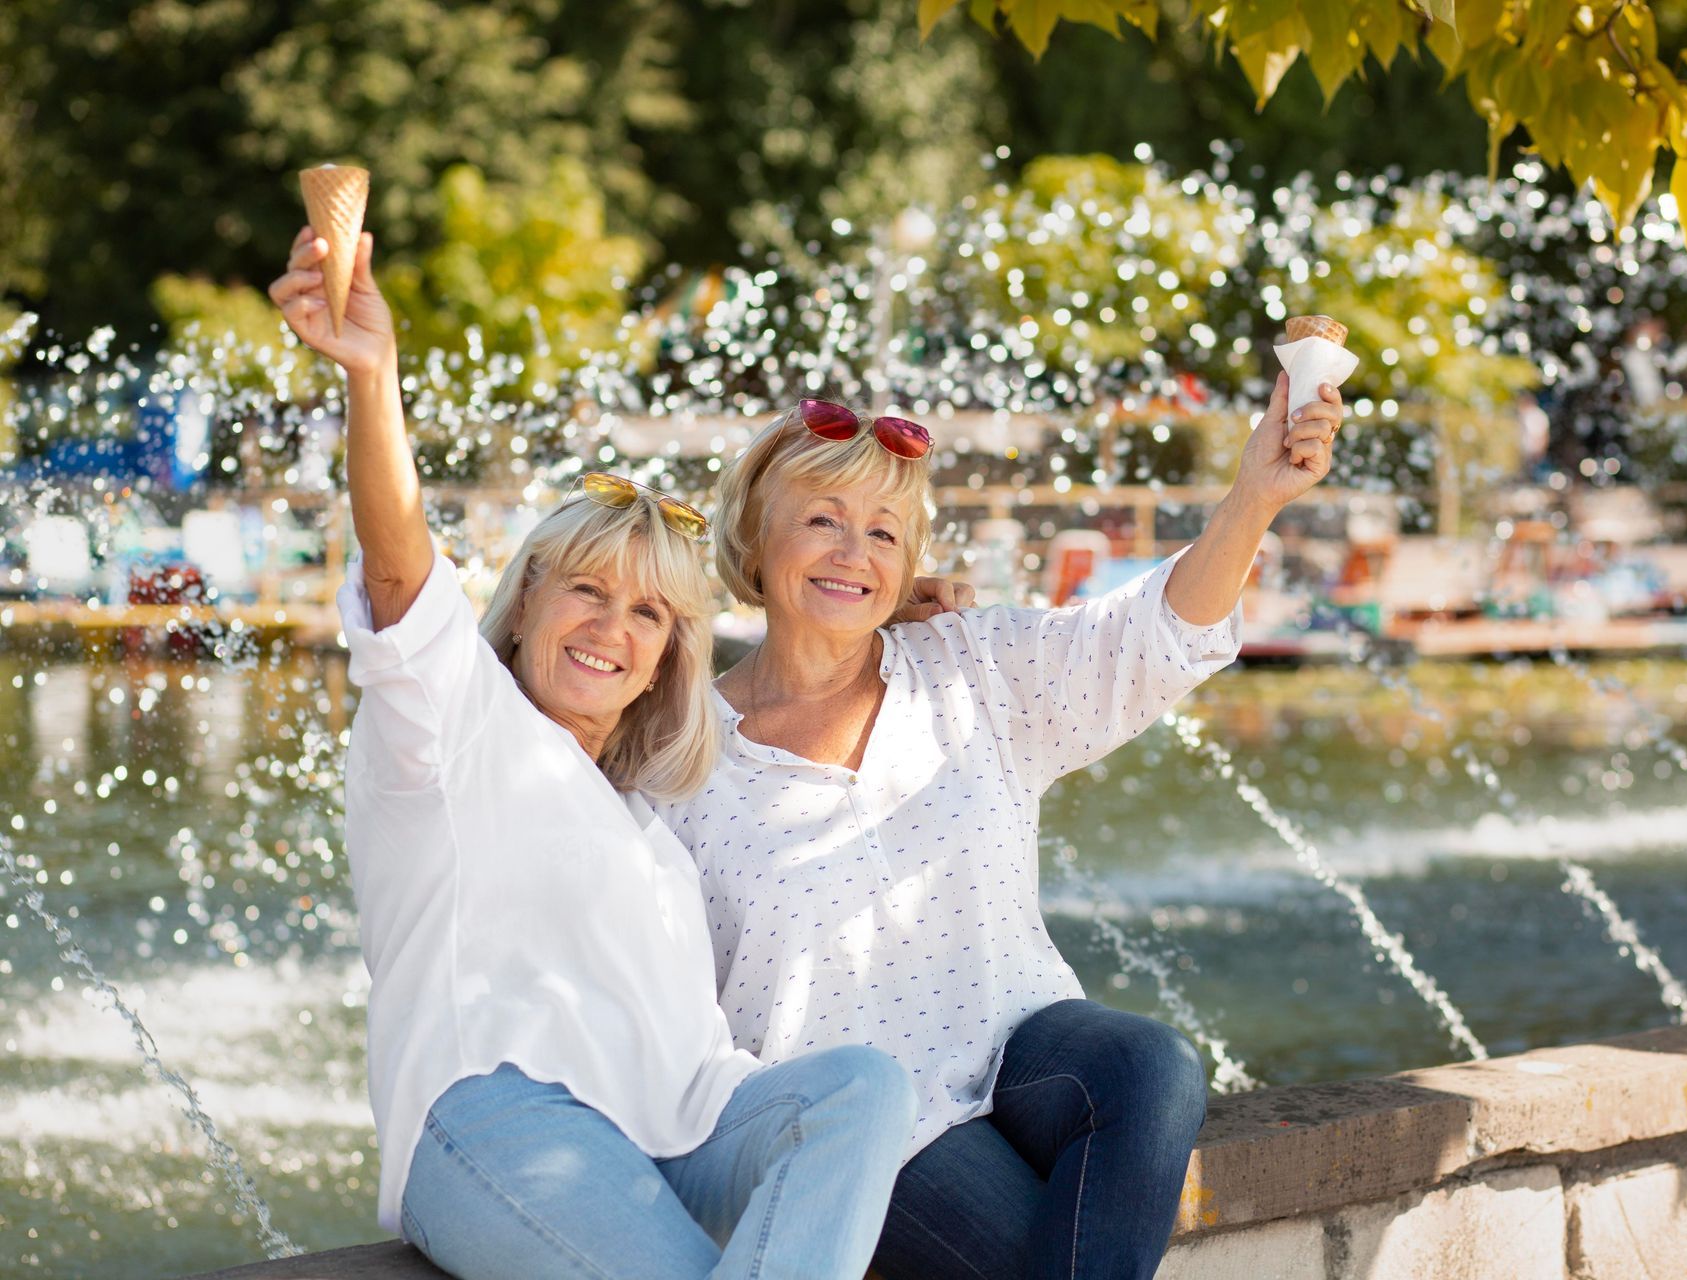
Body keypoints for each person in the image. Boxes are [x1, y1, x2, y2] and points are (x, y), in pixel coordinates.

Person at [269, 226, 917, 1280]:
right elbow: (398, 570)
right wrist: (372, 380)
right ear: (526, 598)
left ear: (669, 654)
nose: (612, 626)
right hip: (493, 1119)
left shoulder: (647, 818)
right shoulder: (450, 727)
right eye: (587, 588)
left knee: (865, 1087)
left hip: (679, 1130)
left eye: (650, 611)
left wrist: (899, 619)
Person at [653, 381, 1343, 1278]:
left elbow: (1153, 636)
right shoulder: (681, 758)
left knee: (1152, 1065)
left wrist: (1255, 494)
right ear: (754, 534)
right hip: (862, 1118)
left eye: (884, 533)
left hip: (1020, 1048)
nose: (852, 553)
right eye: (822, 520)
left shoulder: (971, 665)